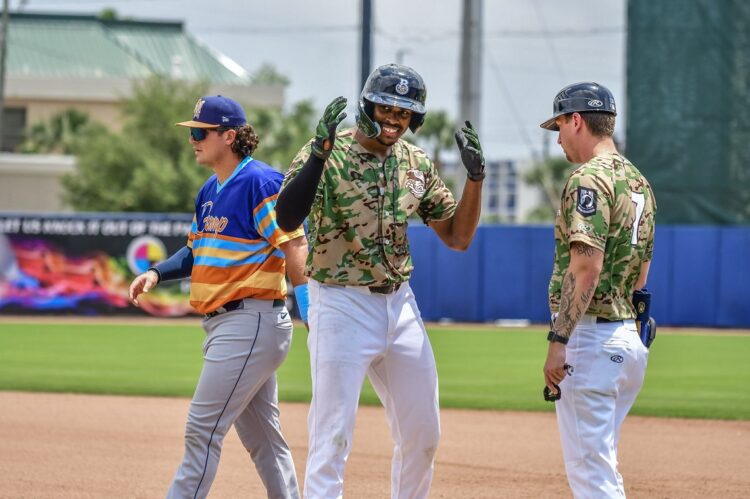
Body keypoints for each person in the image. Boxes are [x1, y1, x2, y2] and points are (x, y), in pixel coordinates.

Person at [275, 63, 485, 499]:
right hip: (339, 301)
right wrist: (317, 154)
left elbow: (458, 237)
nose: (394, 119)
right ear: (366, 105)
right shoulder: (329, 152)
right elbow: (287, 217)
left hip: (400, 305)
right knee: (332, 435)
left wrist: (476, 180)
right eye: (386, 108)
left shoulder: (414, 161)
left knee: (423, 433)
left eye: (404, 113)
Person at [128, 95, 309, 499]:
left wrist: (311, 308)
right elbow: (195, 251)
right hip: (231, 324)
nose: (192, 139)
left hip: (250, 321)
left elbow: (295, 243)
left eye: (199, 132)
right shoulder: (211, 188)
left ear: (229, 136)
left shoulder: (260, 182)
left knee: (201, 428)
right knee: (264, 437)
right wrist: (157, 272)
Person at [540, 82, 657, 498]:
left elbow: (586, 269)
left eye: (559, 126)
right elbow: (641, 276)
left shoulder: (588, 179)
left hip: (590, 340)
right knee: (601, 465)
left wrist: (559, 340)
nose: (557, 139)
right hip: (628, 342)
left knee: (593, 478)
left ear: (576, 120)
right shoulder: (639, 182)